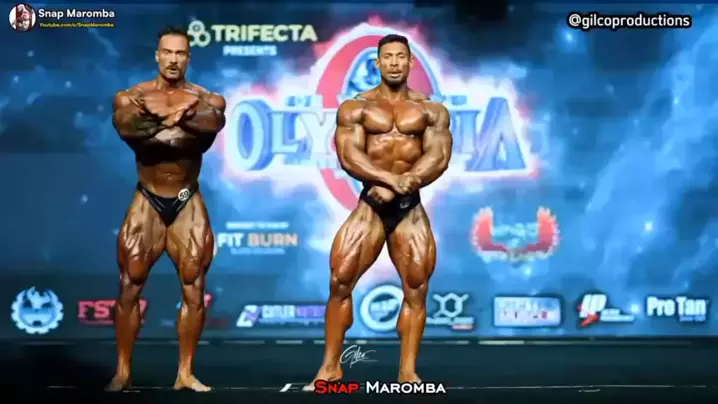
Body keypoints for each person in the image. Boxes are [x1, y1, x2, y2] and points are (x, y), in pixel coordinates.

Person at [306, 34, 452, 389]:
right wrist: (390, 179)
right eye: (388, 57)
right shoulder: (356, 107)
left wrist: (408, 181)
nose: (394, 63)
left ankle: (407, 372)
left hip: (409, 209)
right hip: (370, 207)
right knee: (340, 282)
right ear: (377, 62)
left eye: (401, 57)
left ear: (411, 62)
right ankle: (330, 368)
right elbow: (349, 155)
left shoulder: (431, 111)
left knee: (416, 289)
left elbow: (439, 156)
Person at [108, 27, 226, 392]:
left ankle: (185, 374)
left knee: (194, 286)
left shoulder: (209, 99)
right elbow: (129, 129)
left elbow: (211, 125)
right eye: (168, 52)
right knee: (129, 285)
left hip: (187, 199)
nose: (174, 59)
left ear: (188, 57)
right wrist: (180, 117)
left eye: (180, 53)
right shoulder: (130, 96)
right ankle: (123, 372)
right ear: (157, 55)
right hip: (148, 198)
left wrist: (164, 118)